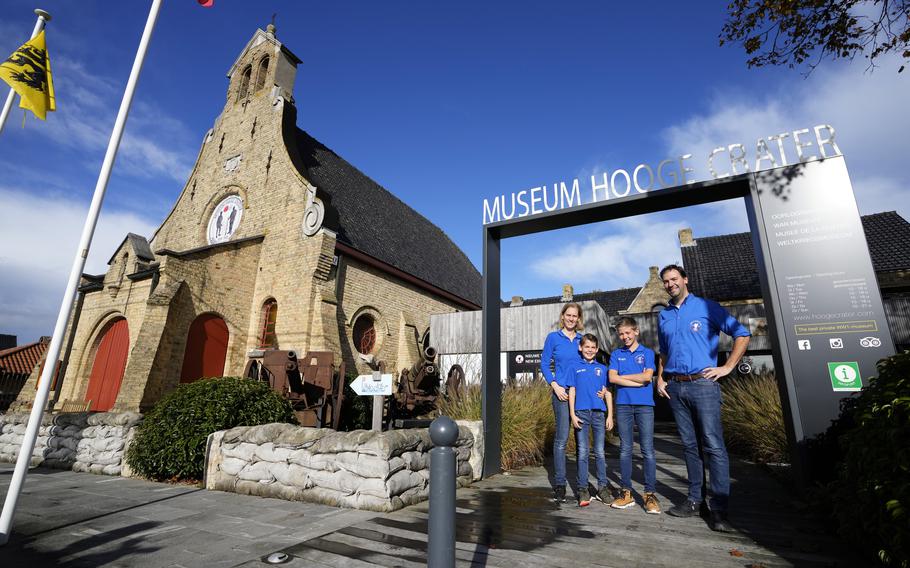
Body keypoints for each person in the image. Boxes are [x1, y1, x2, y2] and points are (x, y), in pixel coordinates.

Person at [655, 264, 751, 532]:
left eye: (674, 279)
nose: (670, 284)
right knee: (689, 446)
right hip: (676, 387)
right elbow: (664, 351)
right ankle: (695, 500)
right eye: (666, 281)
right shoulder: (663, 316)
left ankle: (718, 508)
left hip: (703, 384)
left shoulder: (707, 307)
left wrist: (727, 367)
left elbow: (742, 334)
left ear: (685, 279)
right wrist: (661, 377)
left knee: (713, 445)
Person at [606, 317, 660, 514]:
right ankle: (626, 492)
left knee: (647, 450)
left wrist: (623, 378)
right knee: (625, 449)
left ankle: (650, 495)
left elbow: (647, 377)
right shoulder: (616, 354)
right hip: (623, 406)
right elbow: (612, 378)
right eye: (621, 334)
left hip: (645, 405)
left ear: (636, 331)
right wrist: (635, 381)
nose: (624, 337)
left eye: (628, 332)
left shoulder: (647, 353)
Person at [541, 302, 583, 503]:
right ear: (563, 316)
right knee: (562, 439)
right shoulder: (553, 338)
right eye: (569, 315)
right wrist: (554, 384)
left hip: (582, 395)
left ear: (579, 318)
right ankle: (560, 484)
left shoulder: (583, 340)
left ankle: (582, 484)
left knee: (582, 440)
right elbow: (544, 364)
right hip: (562, 394)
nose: (571, 319)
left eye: (575, 316)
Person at [567, 333, 614, 506]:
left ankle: (602, 488)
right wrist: (572, 414)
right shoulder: (574, 367)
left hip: (599, 414)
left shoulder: (602, 368)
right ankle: (583, 489)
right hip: (581, 413)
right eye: (587, 347)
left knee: (600, 452)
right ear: (581, 348)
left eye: (593, 347)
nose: (590, 350)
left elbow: (607, 392)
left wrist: (610, 415)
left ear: (597, 349)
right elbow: (572, 391)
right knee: (583, 452)